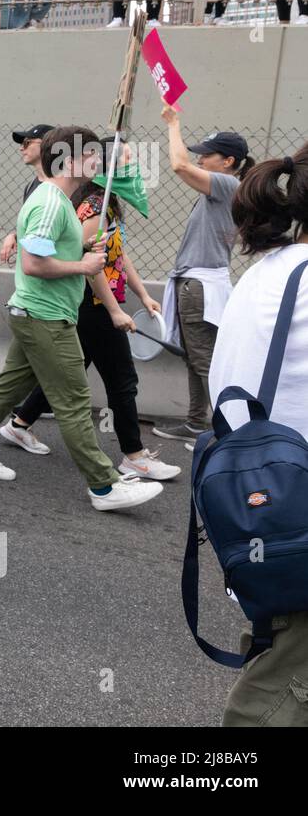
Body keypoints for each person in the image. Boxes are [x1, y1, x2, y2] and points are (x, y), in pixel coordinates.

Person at [0, 125, 164, 511]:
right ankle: (105, 486)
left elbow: (45, 252)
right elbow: (33, 264)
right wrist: (82, 264)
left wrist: (84, 249)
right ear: (68, 160)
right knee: (73, 400)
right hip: (45, 316)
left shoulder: (59, 199)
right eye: (90, 156)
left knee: (8, 389)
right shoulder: (52, 202)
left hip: (35, 312)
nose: (98, 162)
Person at [2, 141, 180, 482]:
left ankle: (20, 423)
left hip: (99, 304)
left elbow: (116, 254)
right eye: (128, 159)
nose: (135, 166)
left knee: (74, 370)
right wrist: (115, 311)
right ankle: (134, 456)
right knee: (122, 381)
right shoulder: (94, 207)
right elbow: (89, 265)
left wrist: (142, 295)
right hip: (91, 304)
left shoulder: (107, 203)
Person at [213, 141, 308, 726]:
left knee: (280, 652)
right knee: (281, 690)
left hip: (259, 513)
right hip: (295, 519)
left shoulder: (268, 270)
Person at [155, 105, 252, 444]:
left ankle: (229, 431)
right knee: (194, 356)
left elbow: (178, 164)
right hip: (196, 283)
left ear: (227, 161)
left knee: (204, 361)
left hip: (201, 285)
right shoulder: (226, 186)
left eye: (206, 155)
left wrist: (174, 124)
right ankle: (198, 422)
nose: (199, 159)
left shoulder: (227, 184)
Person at [0, 124, 54, 263]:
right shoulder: (31, 186)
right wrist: (15, 236)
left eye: (27, 143)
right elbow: (37, 225)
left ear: (46, 145)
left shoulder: (62, 188)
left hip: (52, 269)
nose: (21, 148)